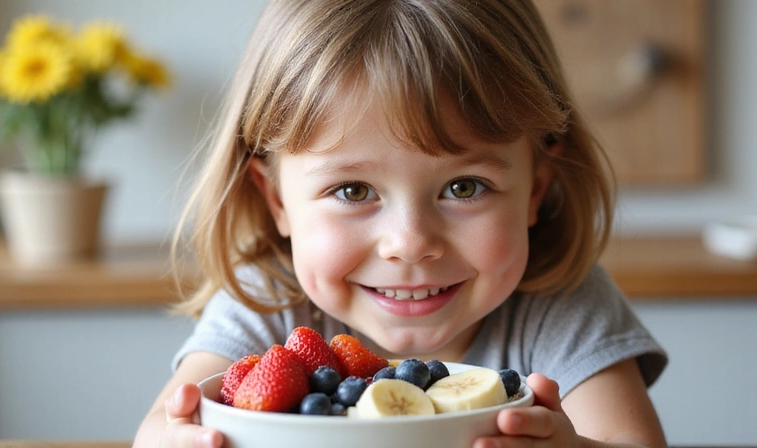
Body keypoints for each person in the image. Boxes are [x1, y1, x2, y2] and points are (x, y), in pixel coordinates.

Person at [134, 0, 668, 447]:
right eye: (353, 190)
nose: (410, 244)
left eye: (464, 187)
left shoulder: (560, 305)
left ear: (536, 189)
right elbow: (161, 430)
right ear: (277, 200)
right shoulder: (267, 300)